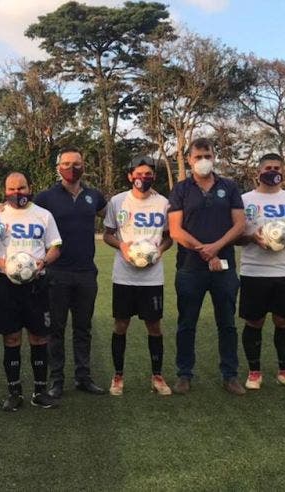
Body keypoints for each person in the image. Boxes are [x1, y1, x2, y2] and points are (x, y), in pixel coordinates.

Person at [167, 138, 246, 396]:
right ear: (189, 160)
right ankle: (184, 374)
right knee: (186, 323)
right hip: (190, 267)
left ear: (214, 157)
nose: (203, 161)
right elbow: (176, 230)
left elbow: (239, 225)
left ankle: (230, 375)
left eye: (208, 156)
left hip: (224, 267)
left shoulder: (229, 186)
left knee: (227, 324)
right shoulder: (180, 189)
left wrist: (217, 246)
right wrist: (204, 249)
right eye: (198, 156)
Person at [0, 172, 62, 411]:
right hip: (8, 285)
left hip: (37, 284)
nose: (17, 193)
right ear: (5, 191)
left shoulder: (43, 215)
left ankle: (39, 391)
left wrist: (43, 262)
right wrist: (0, 263)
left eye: (22, 188)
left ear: (29, 188)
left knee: (39, 336)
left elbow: (56, 246)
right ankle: (14, 392)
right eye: (12, 189)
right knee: (11, 337)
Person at [34, 147, 107, 398]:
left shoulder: (94, 196)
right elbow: (24, 215)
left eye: (76, 163)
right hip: (57, 272)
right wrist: (2, 207)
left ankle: (83, 377)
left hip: (87, 273)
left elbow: (114, 217)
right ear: (58, 167)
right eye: (66, 163)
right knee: (56, 329)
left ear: (84, 165)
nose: (72, 168)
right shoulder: (45, 198)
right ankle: (57, 380)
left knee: (83, 328)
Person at [237, 153, 285, 391]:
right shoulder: (244, 200)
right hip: (254, 271)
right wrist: (252, 238)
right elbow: (236, 237)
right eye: (267, 167)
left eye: (276, 167)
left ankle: (284, 371)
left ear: (283, 171)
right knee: (254, 321)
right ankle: (254, 372)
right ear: (257, 173)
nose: (272, 171)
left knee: (283, 321)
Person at [102, 157, 173, 396]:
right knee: (121, 324)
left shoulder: (163, 203)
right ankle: (118, 376)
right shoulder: (118, 201)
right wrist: (122, 247)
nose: (144, 178)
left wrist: (158, 251)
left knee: (154, 325)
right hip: (124, 276)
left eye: (149, 174)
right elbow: (108, 234)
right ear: (130, 176)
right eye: (139, 174)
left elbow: (169, 236)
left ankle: (157, 376)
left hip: (152, 278)